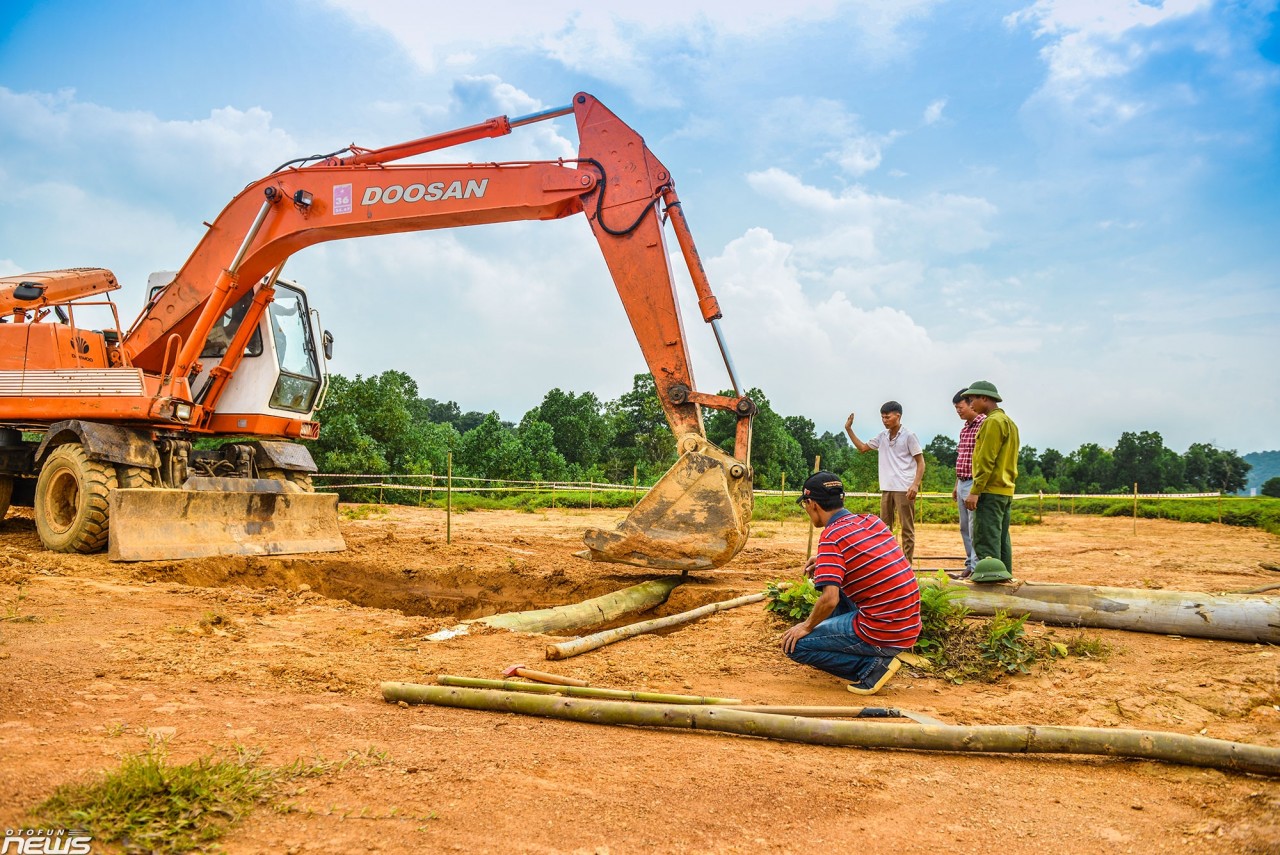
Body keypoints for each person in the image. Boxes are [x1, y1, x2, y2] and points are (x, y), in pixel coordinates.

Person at [782, 471, 921, 695]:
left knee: (795, 645)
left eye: (805, 505)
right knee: (834, 581)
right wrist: (826, 562)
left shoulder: (831, 536)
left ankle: (871, 667)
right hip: (907, 625)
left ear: (812, 504)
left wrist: (806, 626)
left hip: (883, 630)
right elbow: (872, 557)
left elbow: (829, 600)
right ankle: (861, 649)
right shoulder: (871, 521)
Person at [844, 402, 925, 564]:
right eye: (882, 417)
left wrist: (915, 484)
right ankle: (888, 562)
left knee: (907, 528)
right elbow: (862, 448)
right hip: (887, 488)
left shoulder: (909, 436)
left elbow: (921, 462)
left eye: (887, 416)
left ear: (898, 416)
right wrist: (849, 429)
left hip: (904, 488)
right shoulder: (882, 436)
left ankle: (907, 564)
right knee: (884, 528)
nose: (884, 420)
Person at [962, 381, 1019, 582]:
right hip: (1005, 491)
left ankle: (991, 586)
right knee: (1002, 541)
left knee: (986, 541)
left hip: (990, 491)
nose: (970, 404)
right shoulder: (1009, 422)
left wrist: (975, 490)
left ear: (984, 398)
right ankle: (1005, 581)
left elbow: (986, 460)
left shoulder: (992, 423)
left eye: (972, 399)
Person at [952, 389, 986, 578]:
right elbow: (961, 458)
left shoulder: (983, 425)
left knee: (974, 527)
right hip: (963, 480)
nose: (959, 411)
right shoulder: (965, 428)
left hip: (974, 482)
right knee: (964, 526)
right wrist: (956, 485)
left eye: (960, 407)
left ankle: (976, 567)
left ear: (971, 403)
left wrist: (976, 488)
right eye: (956, 408)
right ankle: (969, 563)